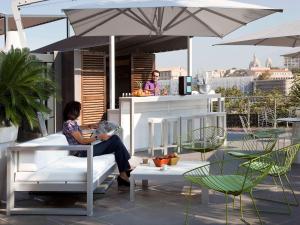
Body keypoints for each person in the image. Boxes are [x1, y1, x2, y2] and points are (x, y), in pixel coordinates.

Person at [62, 101, 131, 187]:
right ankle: (125, 170)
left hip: (85, 149)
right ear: (74, 111)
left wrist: (88, 126)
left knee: (115, 143)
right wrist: (99, 137)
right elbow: (82, 140)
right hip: (82, 152)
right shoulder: (69, 124)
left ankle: (124, 173)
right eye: (79, 110)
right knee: (115, 140)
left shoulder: (71, 123)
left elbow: (77, 128)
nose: (80, 112)